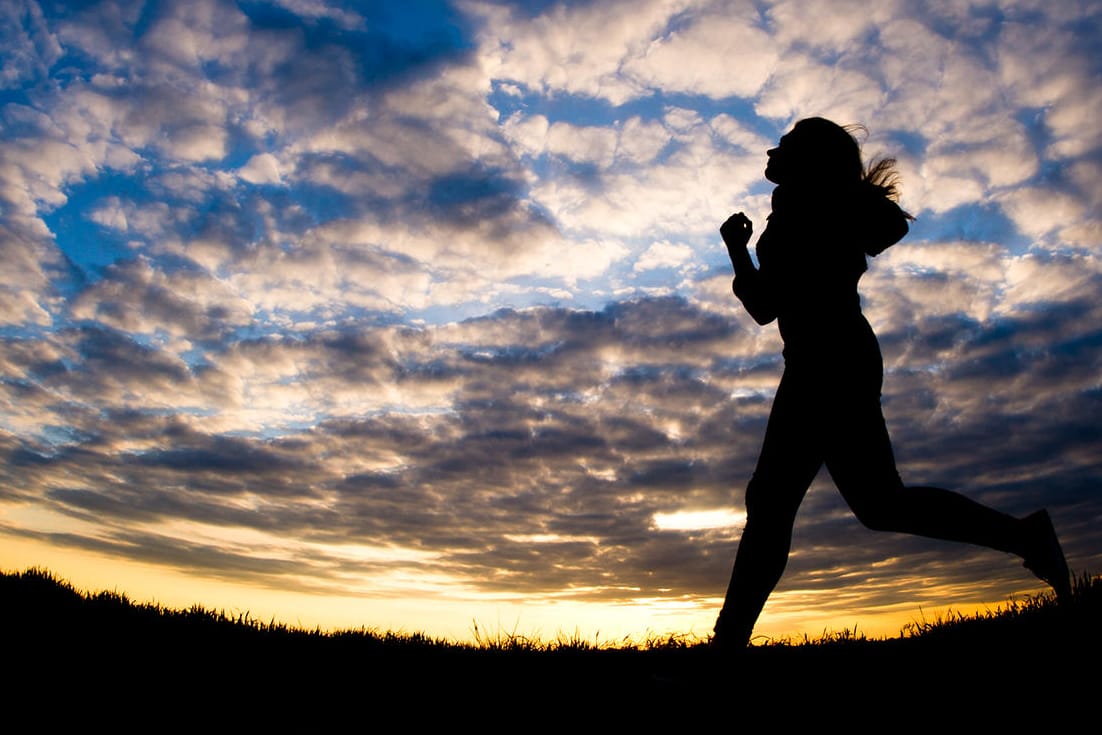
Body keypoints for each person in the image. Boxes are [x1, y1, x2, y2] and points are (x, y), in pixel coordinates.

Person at [714, 117, 1071, 651]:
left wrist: (748, 246)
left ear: (809, 159)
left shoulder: (811, 209)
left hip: (831, 365)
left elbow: (777, 299)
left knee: (778, 502)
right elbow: (769, 307)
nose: (771, 150)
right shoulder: (793, 211)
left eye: (784, 145)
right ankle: (1025, 535)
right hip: (821, 363)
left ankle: (726, 647)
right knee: (872, 505)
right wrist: (739, 247)